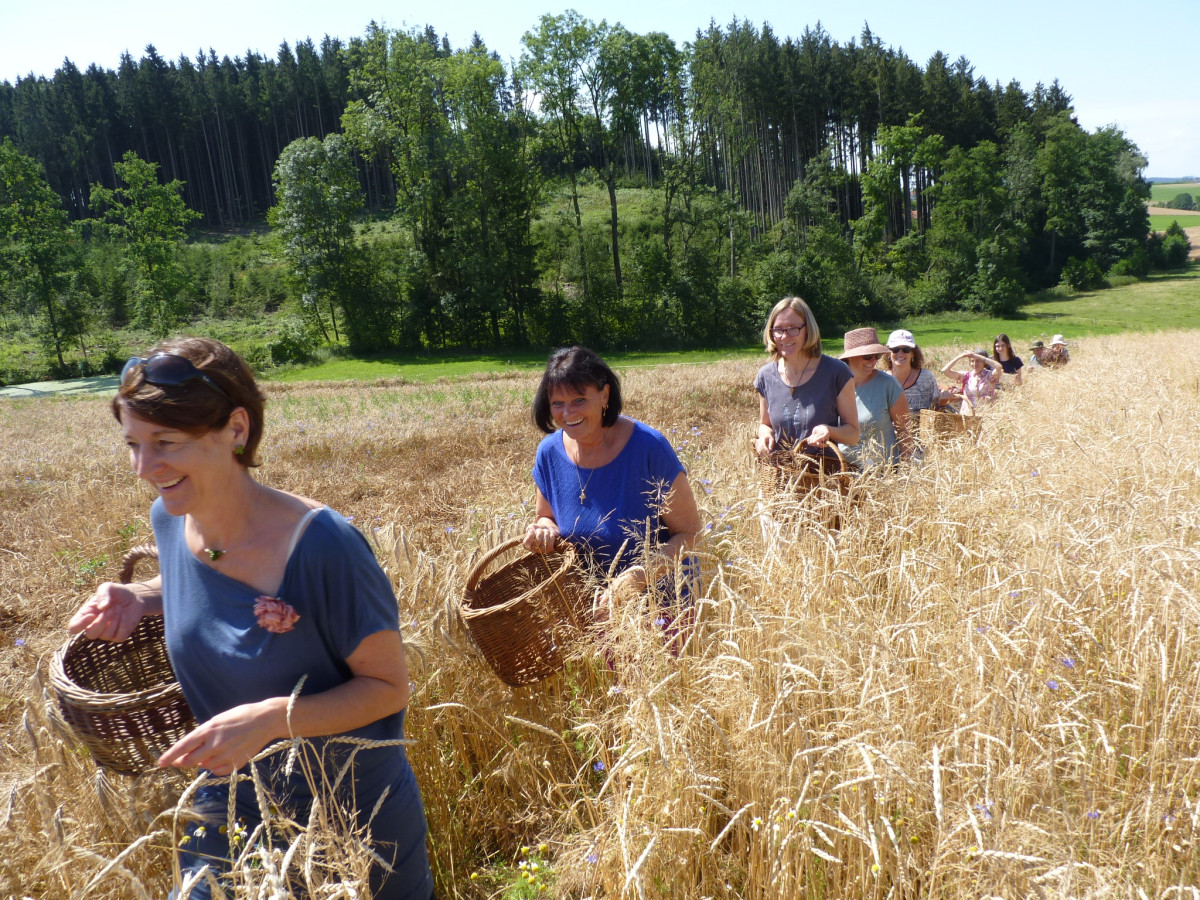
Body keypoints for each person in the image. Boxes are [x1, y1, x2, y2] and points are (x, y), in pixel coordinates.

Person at [67, 338, 434, 900]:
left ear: (236, 429)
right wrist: (140, 596)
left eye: (165, 442)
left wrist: (269, 720)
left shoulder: (323, 546)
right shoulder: (171, 518)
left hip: (354, 819)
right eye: (133, 445)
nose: (144, 467)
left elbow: (388, 688)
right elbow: (203, 577)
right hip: (230, 802)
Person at [523, 346, 702, 609]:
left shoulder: (648, 448)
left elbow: (691, 533)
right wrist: (543, 532)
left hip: (661, 604)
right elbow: (546, 516)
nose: (567, 413)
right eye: (557, 404)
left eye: (579, 400)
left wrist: (638, 578)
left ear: (604, 394)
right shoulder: (548, 453)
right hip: (588, 606)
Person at [753, 296, 859, 458]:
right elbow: (765, 424)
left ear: (808, 330)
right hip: (779, 478)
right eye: (778, 329)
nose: (784, 336)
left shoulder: (836, 372)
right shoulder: (766, 376)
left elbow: (853, 434)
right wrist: (764, 436)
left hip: (823, 477)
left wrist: (829, 431)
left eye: (793, 328)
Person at [837, 327, 912, 469]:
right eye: (867, 356)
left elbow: (904, 430)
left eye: (876, 356)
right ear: (850, 358)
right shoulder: (835, 385)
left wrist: (906, 469)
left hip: (883, 471)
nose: (873, 361)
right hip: (844, 471)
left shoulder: (888, 384)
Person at [881, 328, 949, 415]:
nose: (900, 353)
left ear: (912, 353)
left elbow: (936, 410)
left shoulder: (926, 378)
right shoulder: (882, 380)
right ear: (888, 353)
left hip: (922, 428)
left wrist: (942, 402)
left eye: (906, 349)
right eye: (895, 349)